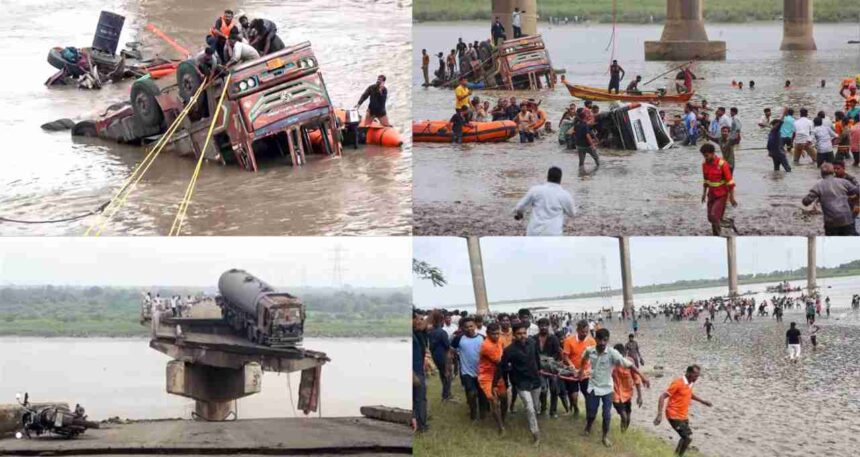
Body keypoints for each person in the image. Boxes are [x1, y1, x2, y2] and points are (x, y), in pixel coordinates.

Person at [580, 328, 650, 448]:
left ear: (608, 340)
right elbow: (583, 359)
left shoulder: (612, 353)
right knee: (591, 413)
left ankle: (605, 437)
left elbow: (629, 365)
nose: (603, 343)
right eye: (600, 340)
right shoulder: (590, 351)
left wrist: (643, 377)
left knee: (607, 415)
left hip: (607, 388)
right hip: (593, 386)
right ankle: (588, 426)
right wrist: (581, 371)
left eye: (605, 340)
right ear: (595, 339)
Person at [495, 322, 542, 444]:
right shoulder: (509, 350)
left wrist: (540, 370)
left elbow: (537, 358)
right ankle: (535, 434)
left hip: (535, 380)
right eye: (519, 334)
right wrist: (500, 381)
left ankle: (533, 421)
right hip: (521, 382)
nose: (522, 336)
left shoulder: (532, 343)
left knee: (535, 407)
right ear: (514, 335)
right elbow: (502, 366)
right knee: (529, 408)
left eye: (524, 333)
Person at [654, 365, 712, 457]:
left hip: (683, 416)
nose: (696, 378)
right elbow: (662, 396)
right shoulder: (678, 383)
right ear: (688, 373)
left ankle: (676, 455)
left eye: (698, 376)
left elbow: (689, 394)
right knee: (687, 438)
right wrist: (659, 414)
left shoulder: (690, 382)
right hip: (673, 415)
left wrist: (703, 401)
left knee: (685, 437)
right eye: (695, 376)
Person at [513, 166, 576, 236]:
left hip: (534, 233)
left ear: (547, 177)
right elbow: (572, 213)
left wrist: (520, 214)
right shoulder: (565, 195)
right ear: (560, 179)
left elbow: (519, 207)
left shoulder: (535, 190)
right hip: (553, 234)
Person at [801, 162, 859, 235]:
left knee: (832, 241)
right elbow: (858, 191)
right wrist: (853, 200)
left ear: (821, 174)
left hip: (831, 223)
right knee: (852, 240)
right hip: (847, 220)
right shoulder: (844, 182)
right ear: (833, 172)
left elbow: (806, 202)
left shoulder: (818, 186)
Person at [451, 316, 487, 421]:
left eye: (471, 326)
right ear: (462, 328)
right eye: (466, 327)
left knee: (482, 394)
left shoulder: (482, 338)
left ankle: (483, 413)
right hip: (466, 372)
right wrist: (452, 361)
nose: (469, 328)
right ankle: (473, 412)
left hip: (481, 371)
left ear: (475, 326)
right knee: (472, 393)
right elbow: (451, 350)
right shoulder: (458, 338)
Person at [700, 143, 737, 236]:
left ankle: (720, 233)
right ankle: (723, 227)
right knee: (710, 218)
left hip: (721, 195)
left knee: (714, 215)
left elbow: (730, 183)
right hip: (711, 195)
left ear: (713, 153)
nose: (705, 158)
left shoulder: (722, 164)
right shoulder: (704, 164)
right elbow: (705, 180)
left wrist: (732, 198)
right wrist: (704, 194)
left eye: (706, 155)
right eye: (704, 156)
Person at [562, 320, 595, 418]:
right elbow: (565, 356)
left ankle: (589, 414)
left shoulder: (591, 341)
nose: (584, 334)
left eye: (586, 332)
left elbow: (594, 357)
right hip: (572, 372)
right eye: (582, 332)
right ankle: (575, 408)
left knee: (588, 394)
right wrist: (571, 366)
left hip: (585, 373)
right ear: (577, 330)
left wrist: (588, 369)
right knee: (574, 395)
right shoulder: (569, 340)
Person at [479, 323, 508, 434]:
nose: (496, 336)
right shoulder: (486, 346)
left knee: (504, 398)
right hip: (486, 376)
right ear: (487, 333)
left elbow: (504, 351)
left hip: (497, 374)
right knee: (494, 401)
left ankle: (503, 420)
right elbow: (500, 360)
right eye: (493, 334)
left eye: (497, 333)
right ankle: (501, 427)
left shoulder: (500, 340)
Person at [611, 344, 644, 433]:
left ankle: (623, 434)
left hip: (627, 394)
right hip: (615, 395)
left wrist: (640, 396)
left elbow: (636, 379)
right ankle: (622, 434)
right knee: (624, 416)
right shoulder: (611, 363)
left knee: (628, 418)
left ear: (624, 354)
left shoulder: (630, 362)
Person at [535, 318, 562, 418]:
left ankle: (553, 411)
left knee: (554, 389)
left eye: (545, 325)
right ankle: (543, 408)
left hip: (552, 367)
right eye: (541, 325)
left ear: (548, 326)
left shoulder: (553, 338)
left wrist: (549, 360)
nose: (543, 327)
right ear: (538, 326)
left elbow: (558, 353)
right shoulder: (534, 338)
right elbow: (532, 352)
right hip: (540, 368)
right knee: (543, 390)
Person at [428, 312, 452, 401]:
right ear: (441, 321)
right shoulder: (442, 332)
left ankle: (446, 394)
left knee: (442, 375)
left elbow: (430, 347)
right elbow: (447, 346)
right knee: (447, 375)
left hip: (435, 357)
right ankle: (446, 395)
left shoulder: (430, 332)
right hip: (443, 356)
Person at [412, 311, 428, 432]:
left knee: (419, 399)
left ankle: (419, 422)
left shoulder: (417, 333)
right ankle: (421, 425)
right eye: (417, 319)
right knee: (419, 399)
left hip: (419, 370)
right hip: (414, 373)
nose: (420, 322)